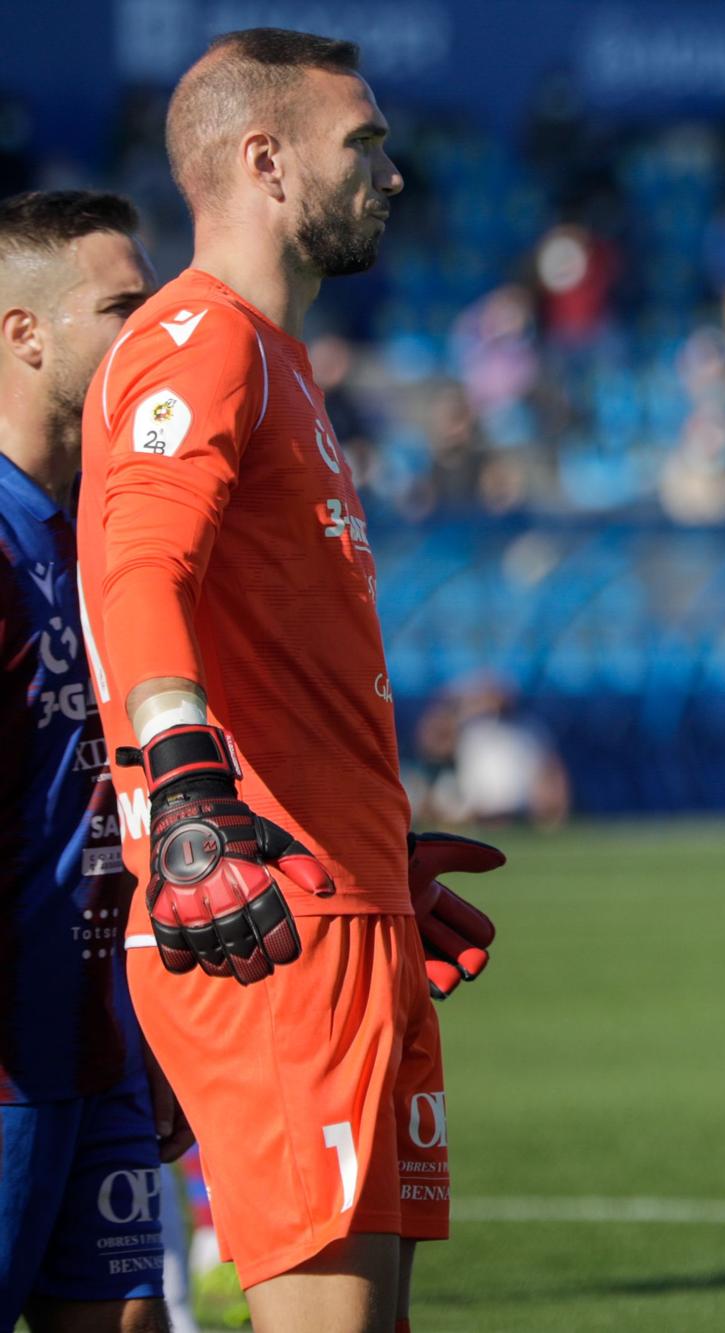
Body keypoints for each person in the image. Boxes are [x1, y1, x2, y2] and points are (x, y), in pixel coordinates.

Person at [74, 30, 500, 1333]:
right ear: (265, 161)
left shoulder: (279, 358)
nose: (393, 175)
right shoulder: (199, 338)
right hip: (265, 914)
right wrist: (186, 785)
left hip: (339, 901)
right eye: (362, 145)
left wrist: (377, 848)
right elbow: (140, 571)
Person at [0, 187, 180, 1333]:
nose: (154, 332)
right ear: (24, 333)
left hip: (101, 1039)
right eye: (123, 309)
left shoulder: (115, 535)